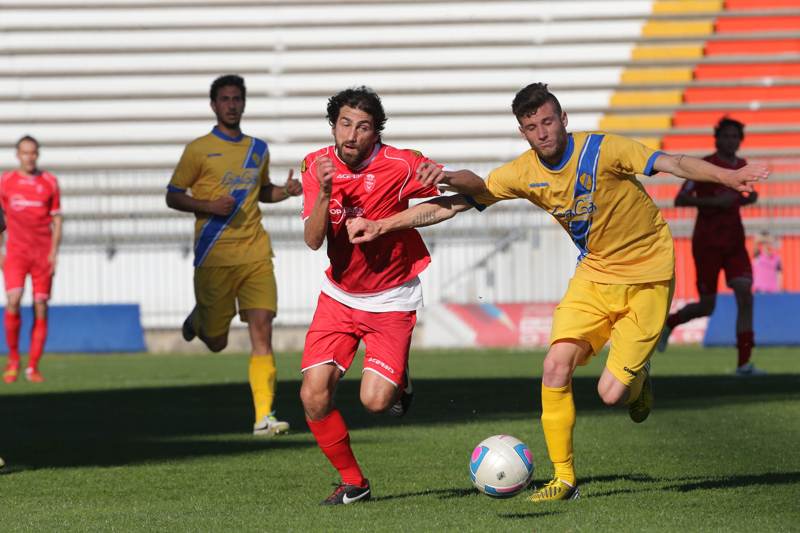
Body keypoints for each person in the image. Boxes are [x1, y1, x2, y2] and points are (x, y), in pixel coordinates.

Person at [345, 83, 768, 502]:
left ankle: (639, 378)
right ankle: (563, 480)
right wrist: (384, 225)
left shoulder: (603, 150)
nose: (543, 132)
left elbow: (672, 163)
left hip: (648, 277)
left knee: (610, 394)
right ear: (523, 133)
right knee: (554, 368)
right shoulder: (524, 172)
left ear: (563, 119)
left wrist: (728, 176)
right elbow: (466, 197)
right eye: (532, 126)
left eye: (548, 121)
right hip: (594, 276)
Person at [299, 86, 443, 505]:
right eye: (345, 124)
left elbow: (464, 197)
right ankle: (353, 483)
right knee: (312, 394)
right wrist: (325, 192)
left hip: (392, 298)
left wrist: (444, 177)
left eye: (362, 127)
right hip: (340, 296)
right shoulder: (315, 165)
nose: (352, 134)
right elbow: (312, 240)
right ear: (333, 125)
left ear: (375, 132)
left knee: (376, 402)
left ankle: (400, 378)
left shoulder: (401, 164)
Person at [166, 74, 302, 436]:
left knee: (262, 328)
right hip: (214, 255)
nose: (231, 104)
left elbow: (261, 193)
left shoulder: (258, 149)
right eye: (225, 99)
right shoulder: (198, 149)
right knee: (217, 341)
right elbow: (173, 195)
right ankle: (199, 322)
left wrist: (286, 192)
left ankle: (263, 417)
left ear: (244, 103)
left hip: (255, 251)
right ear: (214, 105)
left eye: (237, 98)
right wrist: (208, 204)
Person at [657, 118, 764, 376]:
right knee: (707, 306)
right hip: (707, 243)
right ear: (717, 139)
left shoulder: (742, 166)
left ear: (740, 140)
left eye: (734, 136)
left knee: (745, 296)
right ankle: (670, 323)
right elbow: (680, 199)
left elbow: (742, 197)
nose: (730, 141)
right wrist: (716, 203)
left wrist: (749, 198)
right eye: (726, 136)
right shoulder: (705, 167)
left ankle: (744, 364)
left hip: (734, 242)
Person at [1, 136, 62, 384]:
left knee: (41, 305)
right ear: (18, 155)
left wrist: (54, 252)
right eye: (25, 153)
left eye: (33, 153)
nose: (29, 157)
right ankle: (14, 360)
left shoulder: (49, 182)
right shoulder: (6, 182)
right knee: (13, 300)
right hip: (16, 252)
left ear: (38, 154)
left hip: (42, 253)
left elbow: (57, 219)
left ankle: (33, 366)